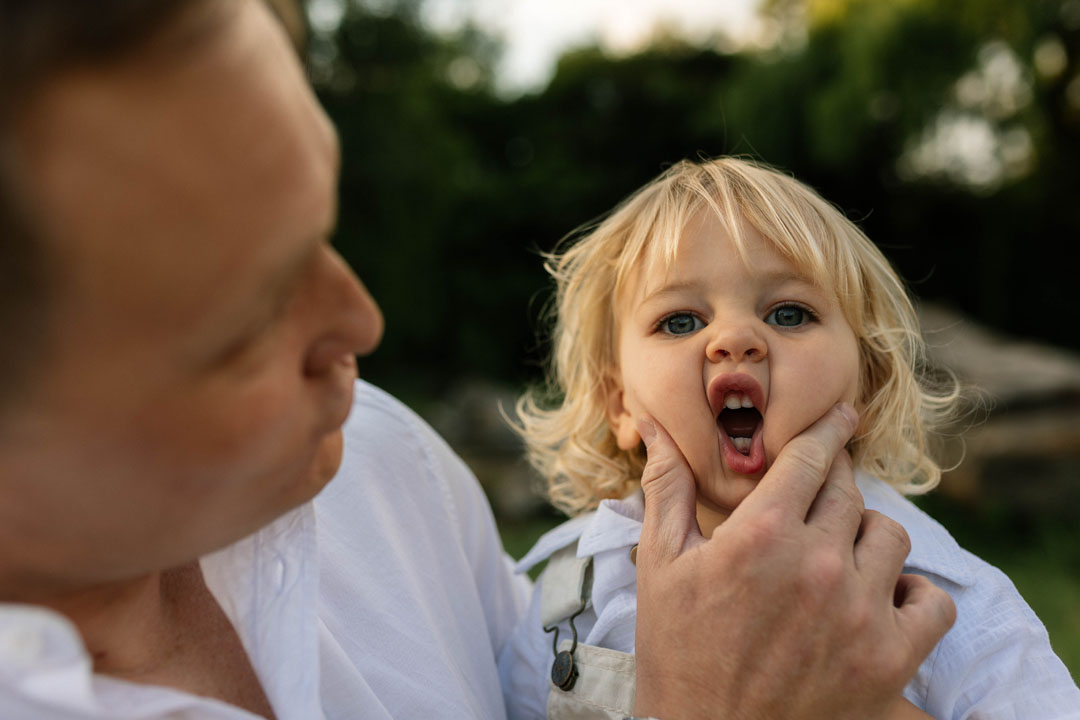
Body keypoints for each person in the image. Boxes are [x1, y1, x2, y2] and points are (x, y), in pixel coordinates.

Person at [0, 1, 958, 718]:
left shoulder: (384, 467)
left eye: (321, 235)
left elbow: (543, 670)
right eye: (244, 313)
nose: (362, 324)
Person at [500, 157, 1080, 719]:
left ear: (868, 383)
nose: (734, 338)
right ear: (619, 403)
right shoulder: (566, 595)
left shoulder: (953, 601)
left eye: (788, 314)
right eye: (680, 321)